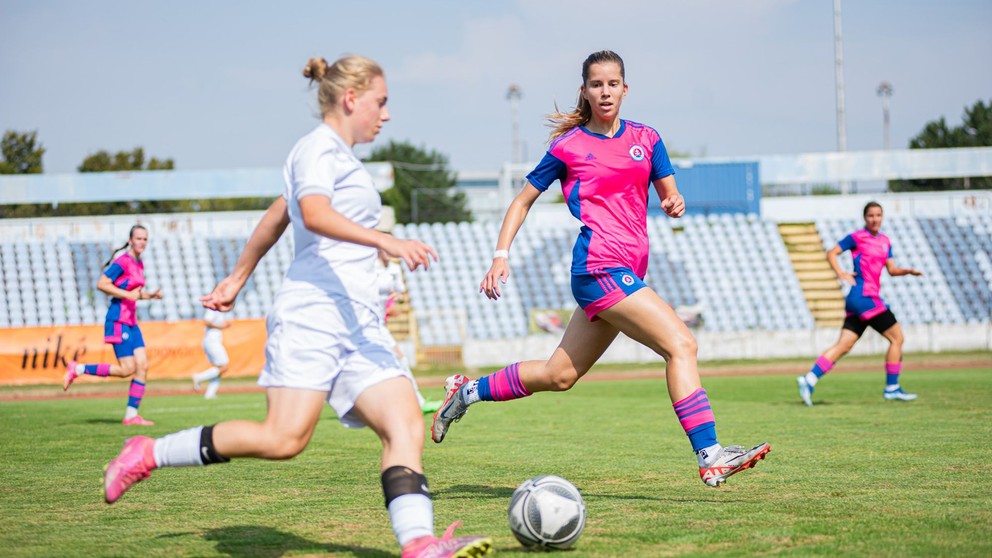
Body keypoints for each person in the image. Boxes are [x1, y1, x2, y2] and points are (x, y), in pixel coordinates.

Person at [100, 55, 492, 558]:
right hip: (314, 313)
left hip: (359, 321)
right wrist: (385, 240)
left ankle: (418, 543)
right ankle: (148, 452)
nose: (386, 114)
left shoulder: (345, 160)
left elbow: (277, 216)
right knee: (284, 439)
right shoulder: (316, 149)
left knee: (405, 424)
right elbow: (310, 212)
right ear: (352, 98)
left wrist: (238, 277)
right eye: (382, 101)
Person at [430, 50, 770, 488]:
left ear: (625, 90)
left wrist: (673, 201)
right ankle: (711, 455)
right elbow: (522, 200)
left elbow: (669, 192)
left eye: (613, 84)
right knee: (681, 345)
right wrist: (500, 255)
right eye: (596, 84)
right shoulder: (567, 146)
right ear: (585, 91)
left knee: (560, 375)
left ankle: (466, 392)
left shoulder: (647, 139)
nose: (605, 91)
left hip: (627, 270)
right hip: (598, 267)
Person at [797, 201, 923, 406]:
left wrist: (907, 271)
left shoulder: (885, 241)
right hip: (865, 298)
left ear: (882, 217)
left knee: (844, 345)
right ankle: (892, 388)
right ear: (865, 218)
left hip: (859, 301)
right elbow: (832, 252)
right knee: (897, 338)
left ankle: (808, 379)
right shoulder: (857, 237)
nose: (875, 219)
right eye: (871, 215)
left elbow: (891, 269)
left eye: (878, 215)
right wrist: (841, 273)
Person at [63, 224, 163, 426]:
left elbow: (132, 292)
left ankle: (131, 415)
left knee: (142, 366)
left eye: (145, 239)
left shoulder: (139, 263)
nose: (142, 242)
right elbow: (102, 283)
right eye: (138, 238)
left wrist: (148, 295)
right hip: (118, 320)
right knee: (127, 369)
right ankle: (78, 368)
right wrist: (129, 295)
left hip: (131, 321)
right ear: (130, 240)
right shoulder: (123, 261)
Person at [375, 249, 443, 414]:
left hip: (379, 324)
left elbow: (400, 293)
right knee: (397, 361)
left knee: (399, 361)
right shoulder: (369, 269)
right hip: (369, 324)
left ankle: (415, 402)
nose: (388, 252)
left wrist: (395, 298)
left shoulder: (394, 269)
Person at [191, 308, 232, 399]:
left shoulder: (220, 311)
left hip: (213, 341)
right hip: (212, 341)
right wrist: (221, 327)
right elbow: (206, 321)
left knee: (218, 368)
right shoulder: (213, 310)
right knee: (224, 366)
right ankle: (199, 377)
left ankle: (210, 393)